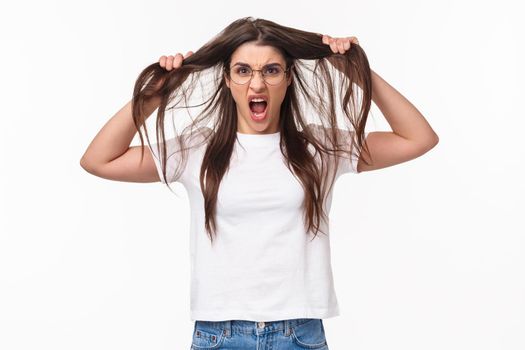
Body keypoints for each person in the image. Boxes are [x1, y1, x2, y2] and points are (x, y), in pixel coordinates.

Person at [80, 17, 438, 350]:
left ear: (288, 77)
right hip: (218, 334)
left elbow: (418, 138)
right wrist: (153, 97)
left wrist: (358, 74)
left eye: (270, 70)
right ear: (227, 79)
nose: (257, 83)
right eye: (243, 70)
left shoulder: (320, 148)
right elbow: (99, 160)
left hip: (299, 333)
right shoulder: (196, 149)